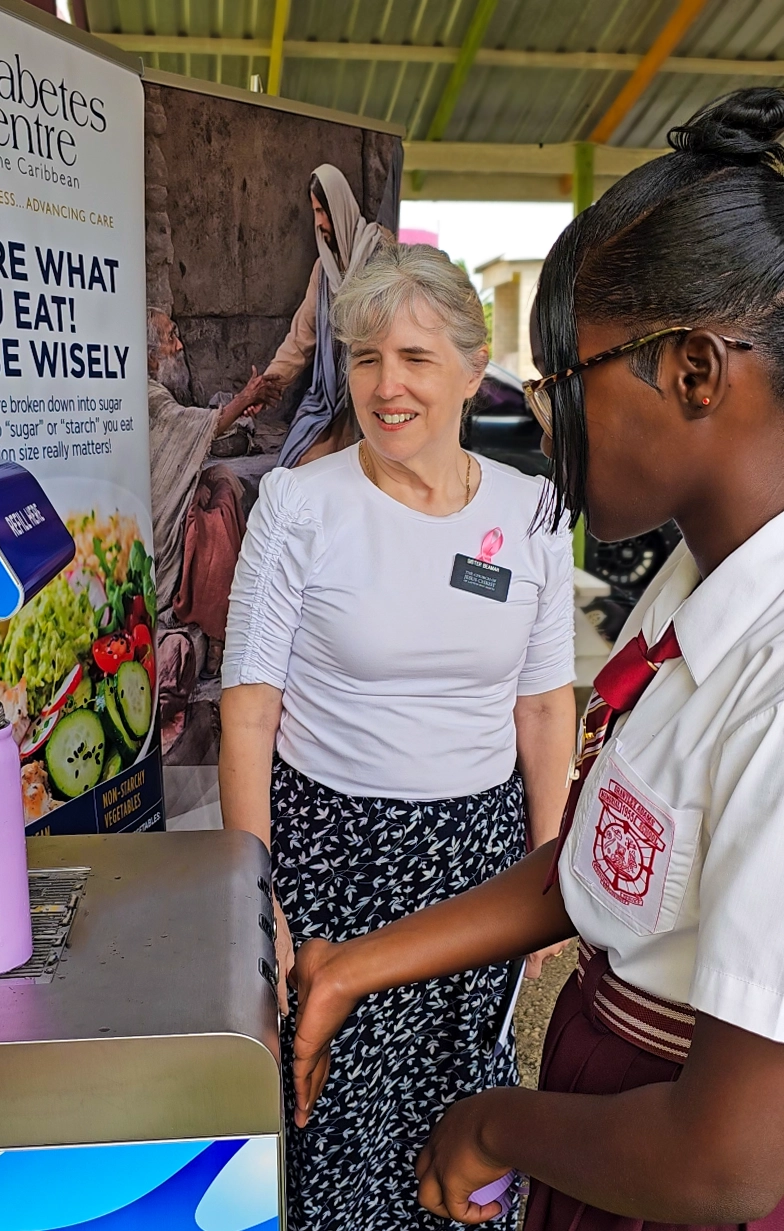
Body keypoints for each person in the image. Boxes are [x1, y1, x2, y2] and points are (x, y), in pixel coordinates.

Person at [290, 88, 784, 1231]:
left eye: (565, 380)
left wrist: (494, 1122)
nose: (545, 422)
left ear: (697, 375)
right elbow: (604, 865)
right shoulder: (690, 594)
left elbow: (724, 1161)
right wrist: (356, 964)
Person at [220, 243, 577, 1230]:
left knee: (465, 1111)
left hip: (481, 859)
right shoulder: (301, 505)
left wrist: (549, 869)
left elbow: (546, 704)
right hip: (337, 856)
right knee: (335, 1108)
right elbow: (248, 707)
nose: (388, 386)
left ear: (473, 366)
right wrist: (260, 898)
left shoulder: (535, 509)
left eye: (416, 358)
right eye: (367, 358)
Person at [147, 307, 280, 612]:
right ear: (151, 356)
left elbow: (197, 427)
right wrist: (244, 398)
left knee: (221, 481)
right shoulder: (148, 396)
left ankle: (234, 608)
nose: (179, 346)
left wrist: (239, 408)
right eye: (170, 338)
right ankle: (214, 616)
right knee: (212, 522)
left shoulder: (157, 392)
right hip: (157, 521)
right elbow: (193, 426)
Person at [259, 164, 391, 469]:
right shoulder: (324, 272)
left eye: (323, 212)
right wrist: (268, 384)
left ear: (340, 207)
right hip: (331, 400)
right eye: (315, 212)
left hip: (372, 396)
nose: (319, 223)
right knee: (297, 464)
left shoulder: (381, 255)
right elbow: (301, 338)